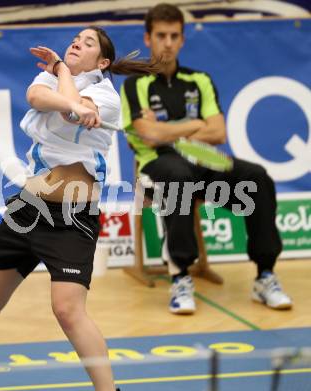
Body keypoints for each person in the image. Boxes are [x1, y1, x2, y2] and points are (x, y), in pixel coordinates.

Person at [0, 26, 158, 391]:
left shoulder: (105, 95)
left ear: (103, 61)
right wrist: (66, 85)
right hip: (28, 208)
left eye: (89, 42)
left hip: (71, 220)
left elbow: (71, 116)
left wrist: (73, 98)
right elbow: (37, 98)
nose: (78, 42)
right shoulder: (50, 76)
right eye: (76, 38)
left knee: (68, 311)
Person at [121, 3, 292, 315]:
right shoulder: (135, 83)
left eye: (175, 35)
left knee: (257, 176)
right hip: (157, 166)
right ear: (148, 39)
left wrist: (167, 129)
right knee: (178, 177)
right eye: (161, 35)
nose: (168, 42)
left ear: (183, 40)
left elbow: (219, 133)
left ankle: (265, 275)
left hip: (204, 161)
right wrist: (195, 125)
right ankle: (181, 276)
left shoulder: (199, 80)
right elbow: (148, 135)